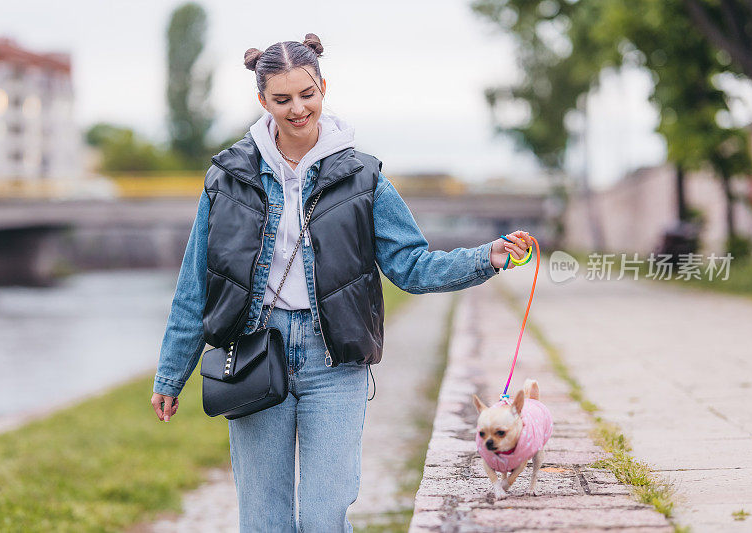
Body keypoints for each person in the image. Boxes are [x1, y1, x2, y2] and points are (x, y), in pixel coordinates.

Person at [149, 33, 532, 532]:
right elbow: (196, 283)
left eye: (307, 94)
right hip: (252, 353)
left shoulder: (363, 176)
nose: (297, 109)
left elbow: (411, 266)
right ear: (262, 100)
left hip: (333, 359)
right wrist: (171, 373)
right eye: (282, 99)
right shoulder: (227, 176)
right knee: (264, 517)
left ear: (323, 87)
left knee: (326, 514)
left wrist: (488, 257)